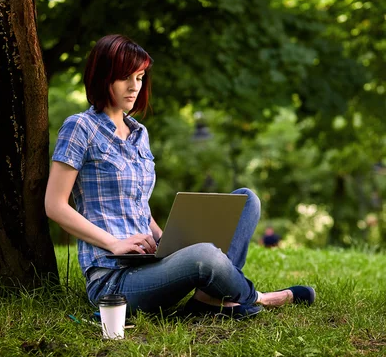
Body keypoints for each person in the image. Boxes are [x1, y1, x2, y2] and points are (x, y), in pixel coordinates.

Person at [45, 34, 315, 319]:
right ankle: (257, 298)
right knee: (206, 257)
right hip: (114, 279)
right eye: (125, 77)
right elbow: (55, 205)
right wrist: (114, 243)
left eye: (139, 77)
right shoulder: (79, 127)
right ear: (102, 76)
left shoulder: (139, 133)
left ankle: (208, 300)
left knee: (247, 200)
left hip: (150, 262)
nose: (134, 86)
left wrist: (166, 239)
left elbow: (137, 204)